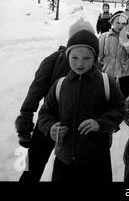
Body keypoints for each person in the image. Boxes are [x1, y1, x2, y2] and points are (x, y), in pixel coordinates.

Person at [37, 29, 125, 182]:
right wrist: (50, 127)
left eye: (86, 58)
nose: (79, 63)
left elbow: (120, 108)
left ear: (95, 58)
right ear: (67, 56)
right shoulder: (60, 84)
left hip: (97, 160)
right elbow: (45, 113)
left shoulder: (106, 82)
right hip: (64, 160)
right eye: (74, 57)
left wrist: (100, 123)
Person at [14, 19, 95, 182]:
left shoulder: (94, 65)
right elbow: (36, 90)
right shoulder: (54, 59)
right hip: (48, 122)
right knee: (33, 168)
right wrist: (25, 118)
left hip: (77, 129)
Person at [99, 10, 129, 98]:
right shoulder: (104, 36)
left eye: (123, 23)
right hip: (107, 70)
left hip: (123, 72)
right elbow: (99, 55)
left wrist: (125, 41)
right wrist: (101, 66)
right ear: (112, 22)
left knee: (123, 95)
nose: (121, 25)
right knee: (106, 94)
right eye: (118, 23)